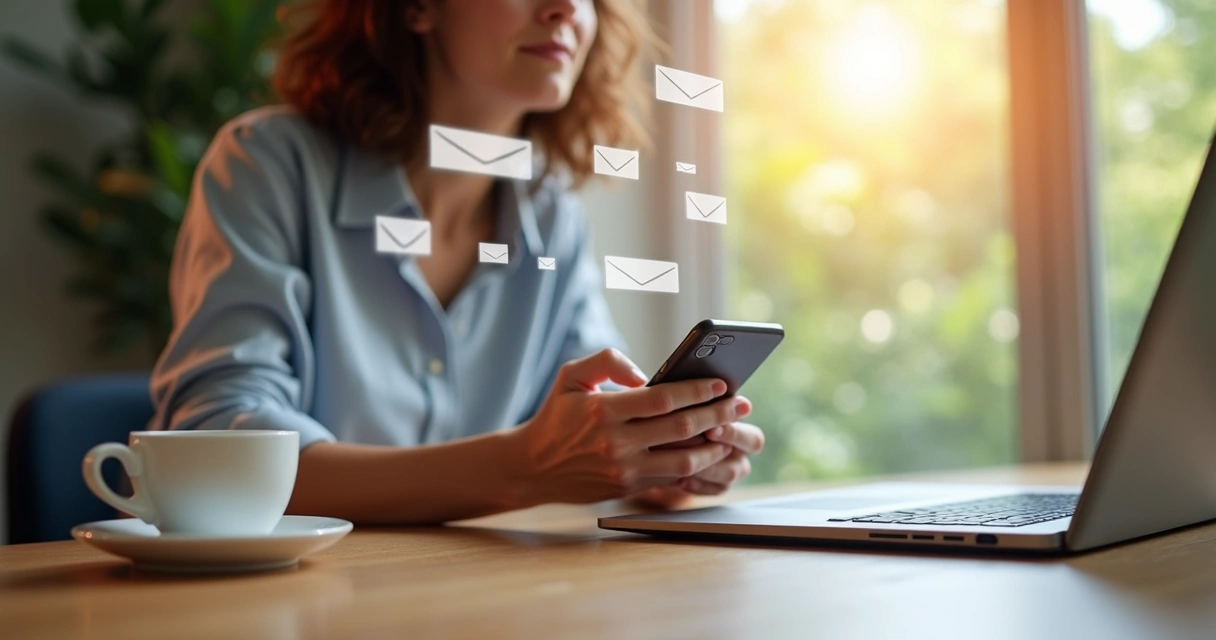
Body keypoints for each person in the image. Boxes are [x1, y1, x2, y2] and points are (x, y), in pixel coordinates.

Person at [148, 0, 764, 525]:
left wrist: (654, 459)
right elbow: (220, 446)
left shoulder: (552, 215)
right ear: (417, 7)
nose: (564, 10)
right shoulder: (267, 165)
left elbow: (594, 408)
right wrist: (521, 469)